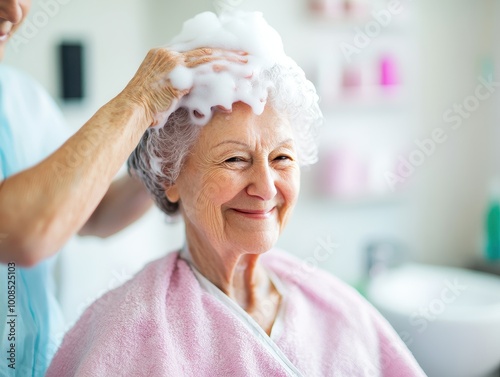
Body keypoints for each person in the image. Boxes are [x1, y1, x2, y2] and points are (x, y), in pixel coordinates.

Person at [46, 11, 426, 377]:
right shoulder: (127, 330)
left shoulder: (337, 308)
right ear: (170, 177)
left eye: (281, 157)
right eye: (234, 159)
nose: (265, 187)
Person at [0, 1, 243, 375]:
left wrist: (164, 159)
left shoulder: (22, 100)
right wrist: (140, 100)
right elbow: (22, 233)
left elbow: (87, 212)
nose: (14, 11)